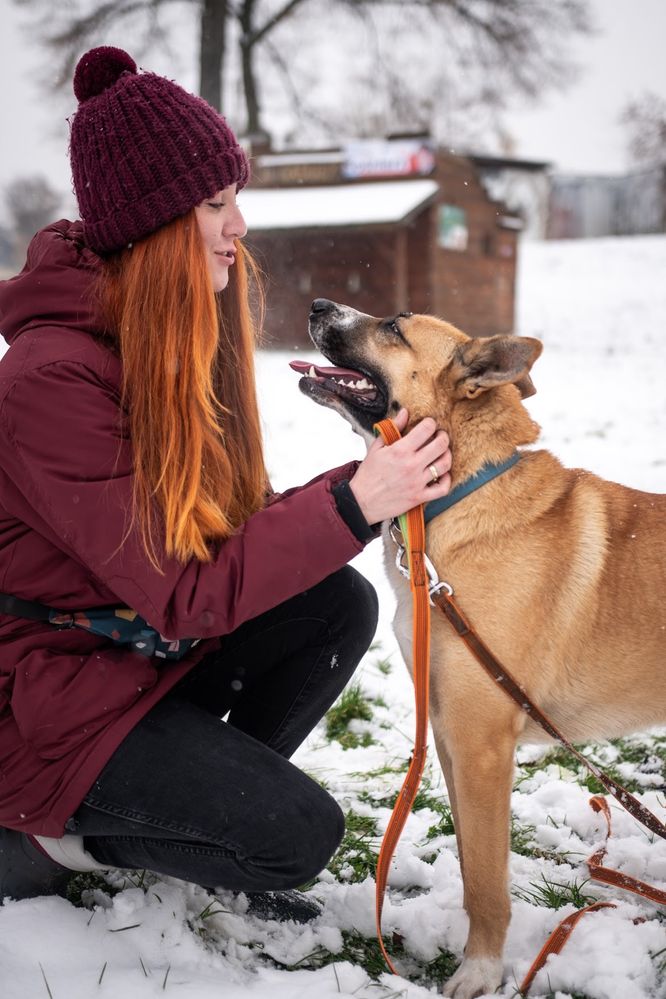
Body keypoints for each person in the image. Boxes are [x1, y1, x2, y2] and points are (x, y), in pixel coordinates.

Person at [0, 46, 452, 915]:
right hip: (53, 703)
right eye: (215, 203)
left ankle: (190, 808)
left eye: (234, 197)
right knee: (294, 837)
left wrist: (353, 495)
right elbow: (185, 590)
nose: (238, 224)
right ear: (155, 226)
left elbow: (225, 537)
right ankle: (44, 838)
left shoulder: (160, 341)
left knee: (337, 601)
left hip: (134, 657)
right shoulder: (50, 380)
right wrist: (355, 500)